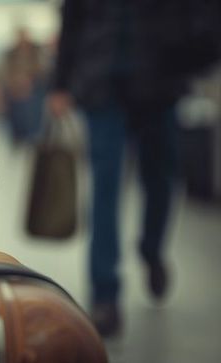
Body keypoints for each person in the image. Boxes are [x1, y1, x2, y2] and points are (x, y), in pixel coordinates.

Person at [48, 0, 221, 337]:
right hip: (102, 83)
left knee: (161, 180)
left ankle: (151, 249)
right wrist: (59, 83)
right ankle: (105, 296)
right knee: (105, 187)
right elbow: (73, 19)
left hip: (160, 82)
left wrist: (192, 58)